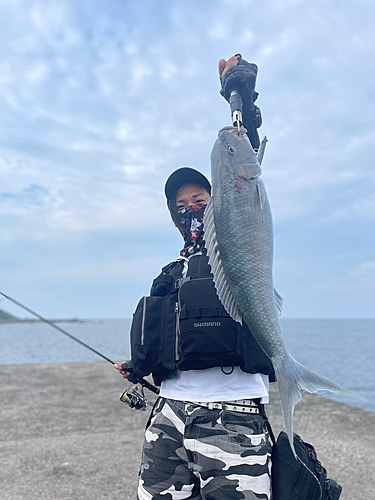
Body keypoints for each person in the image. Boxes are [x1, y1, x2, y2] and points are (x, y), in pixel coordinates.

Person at [115, 55, 275, 500]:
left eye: (199, 197)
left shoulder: (236, 232)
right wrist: (138, 364)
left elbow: (244, 168)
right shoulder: (170, 275)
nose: (189, 207)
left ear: (218, 198)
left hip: (233, 414)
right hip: (168, 415)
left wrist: (239, 100)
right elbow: (168, 338)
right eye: (180, 204)